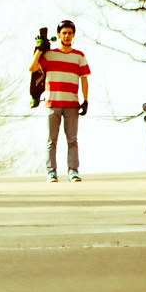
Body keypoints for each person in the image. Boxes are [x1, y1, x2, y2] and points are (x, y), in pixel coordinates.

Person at [29, 19, 90, 183]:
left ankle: (73, 172)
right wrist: (39, 49)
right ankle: (51, 173)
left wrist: (86, 100)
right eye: (64, 33)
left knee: (72, 140)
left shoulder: (79, 56)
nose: (67, 36)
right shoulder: (49, 55)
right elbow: (32, 68)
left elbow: (84, 79)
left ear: (73, 35)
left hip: (71, 104)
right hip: (53, 102)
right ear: (59, 35)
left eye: (70, 33)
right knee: (52, 140)